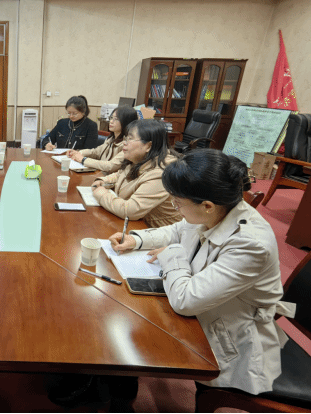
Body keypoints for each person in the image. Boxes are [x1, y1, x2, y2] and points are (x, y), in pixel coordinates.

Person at [109, 149, 294, 395]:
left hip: (231, 335)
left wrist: (171, 254)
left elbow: (185, 301)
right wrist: (137, 239)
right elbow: (178, 230)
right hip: (207, 309)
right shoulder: (217, 209)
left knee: (129, 334)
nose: (174, 207)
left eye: (177, 202)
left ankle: (115, 388)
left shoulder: (251, 244)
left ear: (207, 206)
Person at [92, 119, 182, 227]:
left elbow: (130, 210)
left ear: (148, 146)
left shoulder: (161, 173)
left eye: (130, 139)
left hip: (154, 230)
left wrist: (101, 194)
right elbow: (120, 174)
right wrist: (103, 181)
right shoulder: (140, 159)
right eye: (125, 138)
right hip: (136, 224)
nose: (124, 143)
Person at [66, 106, 138, 174]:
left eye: (116, 119)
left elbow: (110, 166)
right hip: (100, 174)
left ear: (127, 122)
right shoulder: (111, 138)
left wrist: (83, 160)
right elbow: (96, 152)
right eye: (111, 118)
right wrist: (78, 153)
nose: (111, 121)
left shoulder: (128, 144)